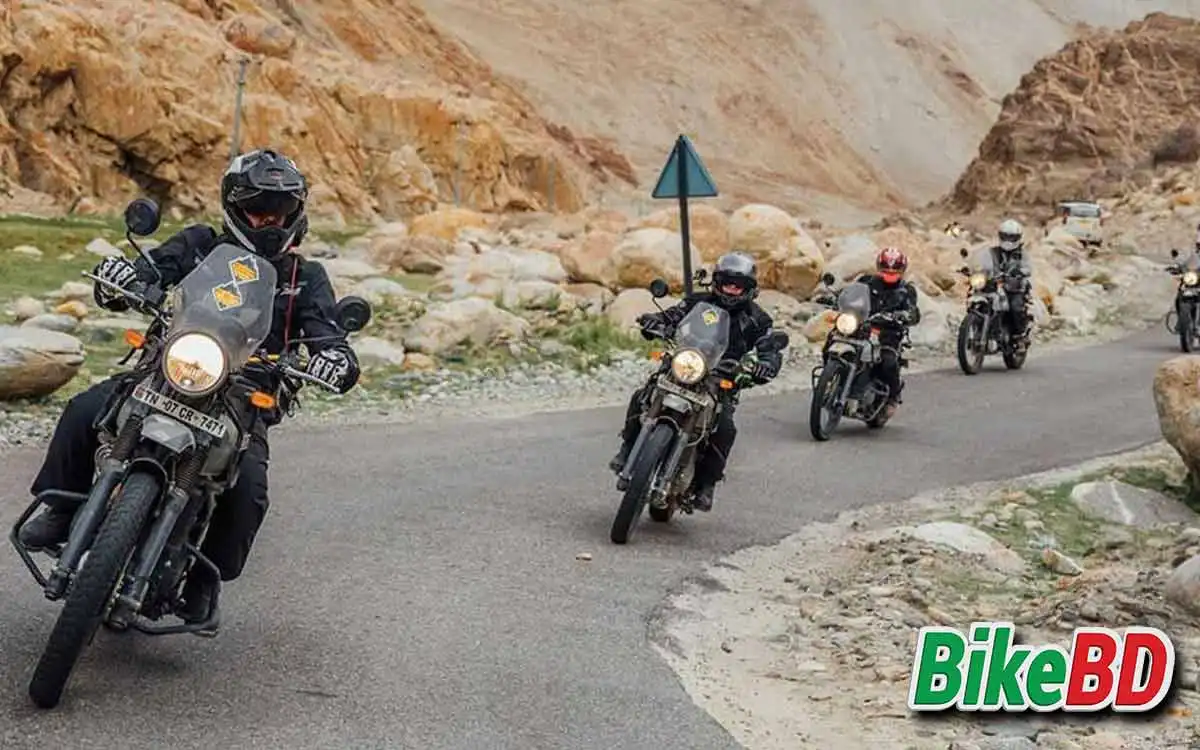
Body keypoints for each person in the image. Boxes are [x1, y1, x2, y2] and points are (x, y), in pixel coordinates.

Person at [16, 149, 361, 633]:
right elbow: (149, 273)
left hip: (243, 396)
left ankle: (202, 578)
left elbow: (328, 334)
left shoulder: (305, 278)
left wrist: (337, 359)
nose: (269, 219)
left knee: (248, 489)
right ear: (234, 206)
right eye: (258, 207)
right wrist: (121, 278)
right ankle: (62, 507)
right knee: (83, 409)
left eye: (281, 209)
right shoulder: (199, 245)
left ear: (296, 213)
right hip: (168, 366)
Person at [608, 252, 785, 512]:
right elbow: (674, 315)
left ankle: (706, 484)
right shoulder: (698, 301)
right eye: (727, 282)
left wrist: (766, 364)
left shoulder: (758, 319)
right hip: (685, 363)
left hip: (721, 378)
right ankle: (627, 448)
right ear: (717, 281)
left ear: (748, 289)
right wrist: (655, 321)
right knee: (641, 396)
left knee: (725, 429)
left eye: (738, 285)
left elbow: (769, 348)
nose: (731, 289)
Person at [851, 247, 921, 420]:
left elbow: (913, 312)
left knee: (888, 360)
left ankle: (893, 397)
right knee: (834, 338)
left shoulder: (907, 291)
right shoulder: (866, 282)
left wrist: (905, 315)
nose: (890, 272)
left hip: (889, 332)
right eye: (886, 268)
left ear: (902, 270)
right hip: (862, 326)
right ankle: (831, 378)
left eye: (894, 269)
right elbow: (851, 294)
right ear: (879, 266)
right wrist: (834, 298)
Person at [987, 218, 1034, 349]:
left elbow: (1028, 268)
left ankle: (1020, 335)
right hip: (995, 285)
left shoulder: (1022, 254)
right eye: (1005, 236)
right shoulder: (993, 252)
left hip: (1015, 287)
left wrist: (1020, 271)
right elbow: (982, 262)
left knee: (1015, 307)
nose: (1008, 240)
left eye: (1012, 237)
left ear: (1018, 237)